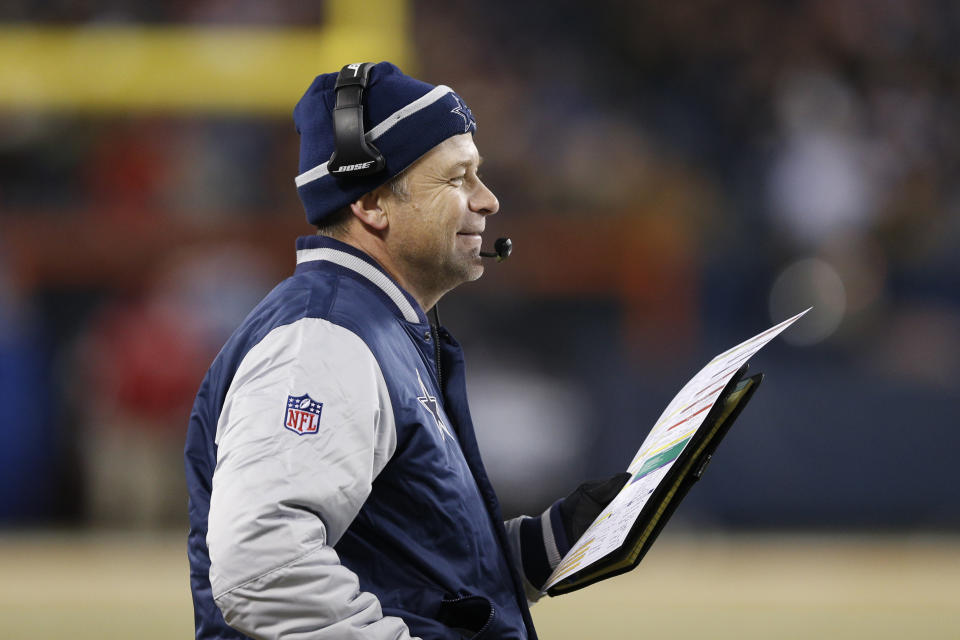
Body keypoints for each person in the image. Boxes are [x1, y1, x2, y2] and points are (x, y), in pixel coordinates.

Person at [185, 62, 628, 639]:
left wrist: (554, 540)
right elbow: (263, 567)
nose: (488, 200)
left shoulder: (373, 326)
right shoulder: (323, 338)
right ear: (371, 201)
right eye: (457, 178)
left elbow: (406, 568)